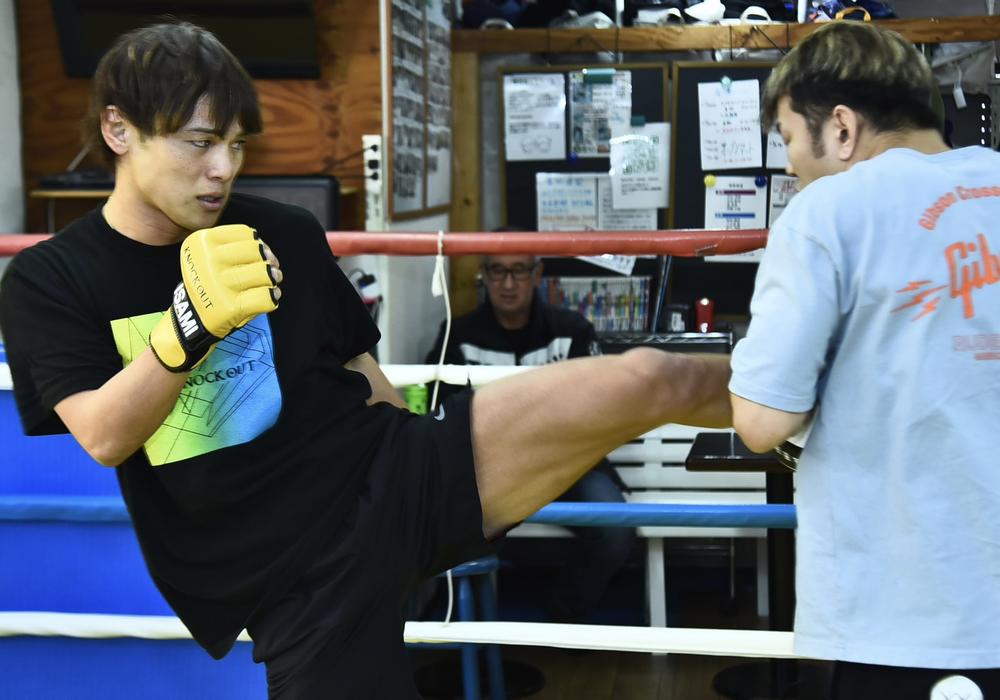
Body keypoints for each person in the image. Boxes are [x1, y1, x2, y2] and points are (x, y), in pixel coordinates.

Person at [0, 22, 732, 699]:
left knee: (652, 375)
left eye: (236, 144)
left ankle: (786, 408)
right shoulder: (50, 279)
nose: (222, 169)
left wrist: (424, 481)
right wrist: (187, 328)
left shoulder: (283, 230)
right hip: (295, 579)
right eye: (199, 143)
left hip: (395, 476)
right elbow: (104, 434)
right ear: (119, 129)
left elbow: (363, 375)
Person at [729, 21, 1000, 700]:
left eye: (790, 137)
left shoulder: (828, 211)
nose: (791, 164)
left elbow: (761, 421)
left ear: (842, 128)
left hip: (905, 617)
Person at [425, 253, 636, 625]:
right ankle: (471, 630)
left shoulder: (572, 329)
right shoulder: (458, 334)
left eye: (519, 270)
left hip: (566, 467)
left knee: (615, 528)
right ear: (484, 275)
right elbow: (440, 410)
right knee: (442, 524)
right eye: (497, 270)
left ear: (537, 274)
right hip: (490, 473)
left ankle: (562, 619)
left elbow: (599, 411)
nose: (508, 283)